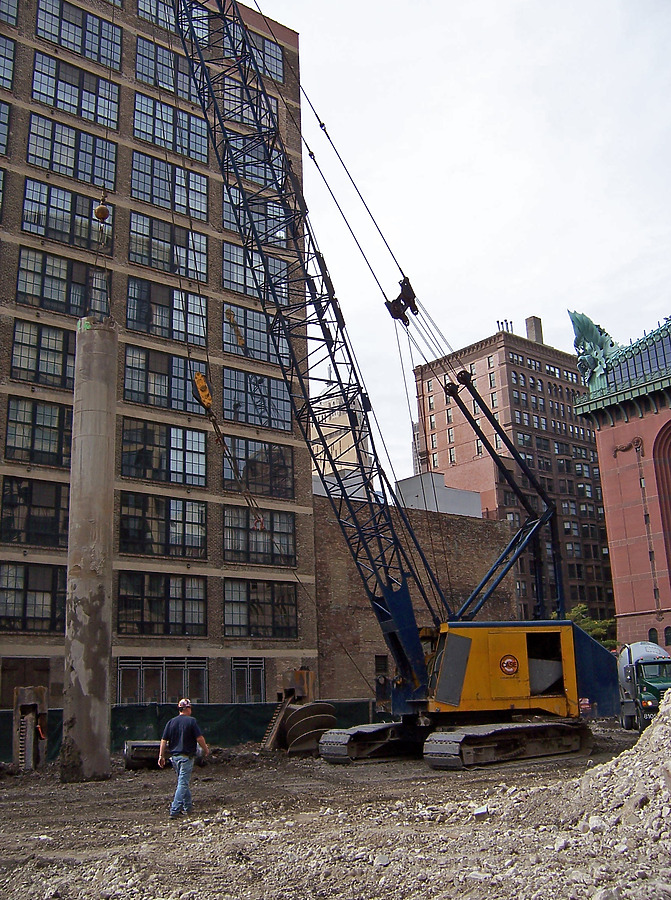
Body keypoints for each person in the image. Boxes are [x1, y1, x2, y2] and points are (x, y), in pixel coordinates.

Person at [158, 698, 210, 818]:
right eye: (190, 707)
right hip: (186, 757)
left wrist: (161, 756)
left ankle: (188, 808)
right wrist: (205, 749)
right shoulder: (192, 721)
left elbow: (163, 740)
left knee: (183, 783)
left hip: (174, 758)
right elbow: (199, 738)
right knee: (182, 783)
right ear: (187, 708)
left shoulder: (171, 722)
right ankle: (174, 810)